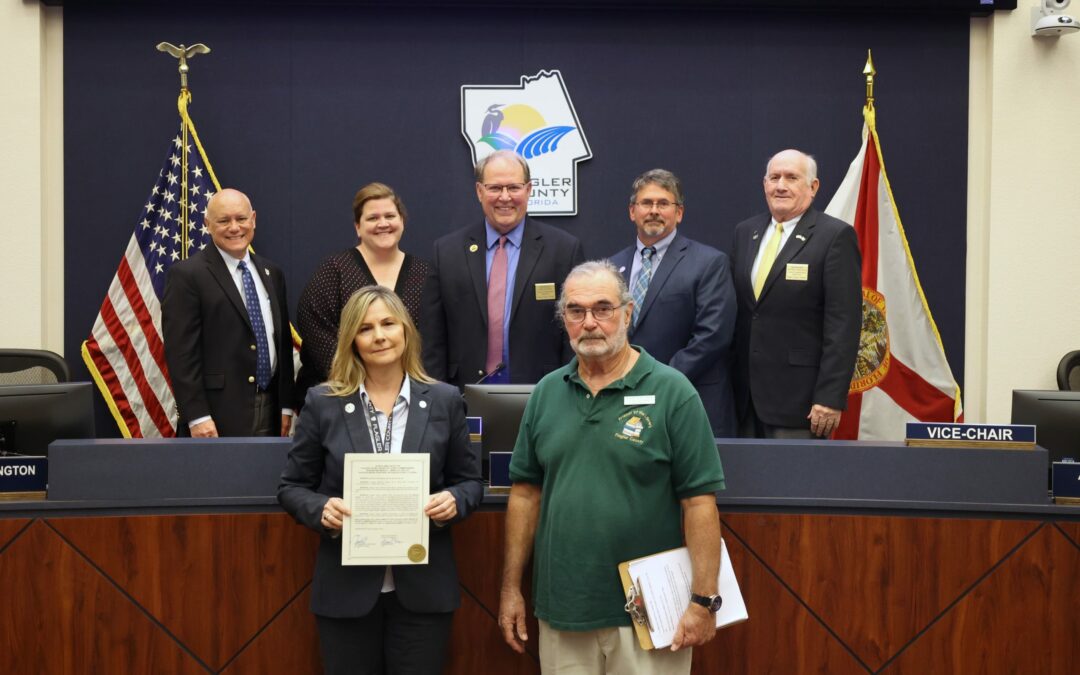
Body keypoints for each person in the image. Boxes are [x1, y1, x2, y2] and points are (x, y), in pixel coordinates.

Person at [499, 260, 726, 674]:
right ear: (563, 318)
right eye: (576, 311)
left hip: (651, 613)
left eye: (603, 309)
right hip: (564, 609)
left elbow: (699, 503)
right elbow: (525, 495)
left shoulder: (673, 391)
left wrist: (704, 600)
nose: (590, 323)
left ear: (628, 312)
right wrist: (511, 588)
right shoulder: (547, 392)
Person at [278, 286, 482, 675]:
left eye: (388, 324)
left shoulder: (445, 401)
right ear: (352, 339)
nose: (380, 336)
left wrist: (454, 500)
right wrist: (321, 508)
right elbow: (291, 488)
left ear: (406, 330)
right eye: (366, 328)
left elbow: (470, 482)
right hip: (346, 592)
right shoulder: (324, 402)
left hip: (423, 592)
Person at [422, 150, 585, 388]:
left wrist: (566, 393)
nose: (505, 197)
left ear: (529, 190)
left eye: (514, 188)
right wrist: (438, 399)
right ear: (479, 191)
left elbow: (575, 330)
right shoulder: (446, 252)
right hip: (464, 394)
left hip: (543, 393)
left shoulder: (564, 249)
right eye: (495, 188)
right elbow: (432, 339)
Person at [730, 149, 862, 439]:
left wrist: (829, 397)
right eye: (774, 177)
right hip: (744, 400)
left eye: (792, 177)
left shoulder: (834, 237)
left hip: (800, 405)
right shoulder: (745, 232)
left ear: (813, 187)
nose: (781, 185)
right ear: (764, 184)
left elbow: (844, 325)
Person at [609, 168, 738, 437]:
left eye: (663, 203)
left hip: (690, 398)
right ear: (632, 211)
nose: (654, 210)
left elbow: (712, 336)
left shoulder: (708, 263)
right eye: (646, 203)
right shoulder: (613, 266)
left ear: (678, 213)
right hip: (624, 401)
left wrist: (657, 380)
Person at [162, 188, 294, 437]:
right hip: (216, 416)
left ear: (253, 219)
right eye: (224, 221)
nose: (234, 227)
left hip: (271, 409)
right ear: (207, 224)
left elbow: (283, 344)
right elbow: (181, 355)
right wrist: (197, 415)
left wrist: (286, 405)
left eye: (241, 219)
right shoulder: (187, 276)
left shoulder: (272, 273)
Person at [295, 182, 434, 404]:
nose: (383, 224)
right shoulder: (334, 270)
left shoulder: (425, 273)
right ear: (358, 227)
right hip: (340, 397)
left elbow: (432, 338)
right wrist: (360, 380)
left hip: (409, 399)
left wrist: (402, 384)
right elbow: (315, 328)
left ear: (402, 221)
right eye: (372, 218)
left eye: (390, 215)